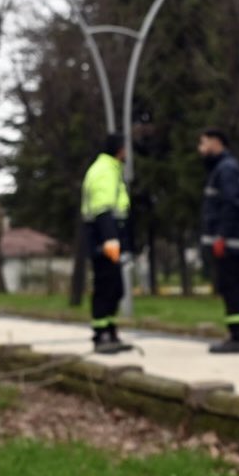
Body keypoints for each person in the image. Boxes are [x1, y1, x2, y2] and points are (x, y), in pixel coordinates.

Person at [198, 128, 239, 353]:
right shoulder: (222, 168)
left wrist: (222, 235)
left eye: (204, 143)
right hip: (230, 240)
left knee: (232, 288)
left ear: (216, 143)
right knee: (233, 287)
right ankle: (238, 333)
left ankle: (238, 337)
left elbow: (232, 204)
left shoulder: (226, 169)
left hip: (228, 242)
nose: (200, 149)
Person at [80, 133, 133, 354]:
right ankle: (101, 335)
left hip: (108, 237)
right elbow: (103, 208)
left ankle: (110, 332)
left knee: (115, 289)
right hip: (104, 238)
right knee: (105, 288)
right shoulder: (104, 170)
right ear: (119, 149)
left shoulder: (110, 169)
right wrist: (111, 240)